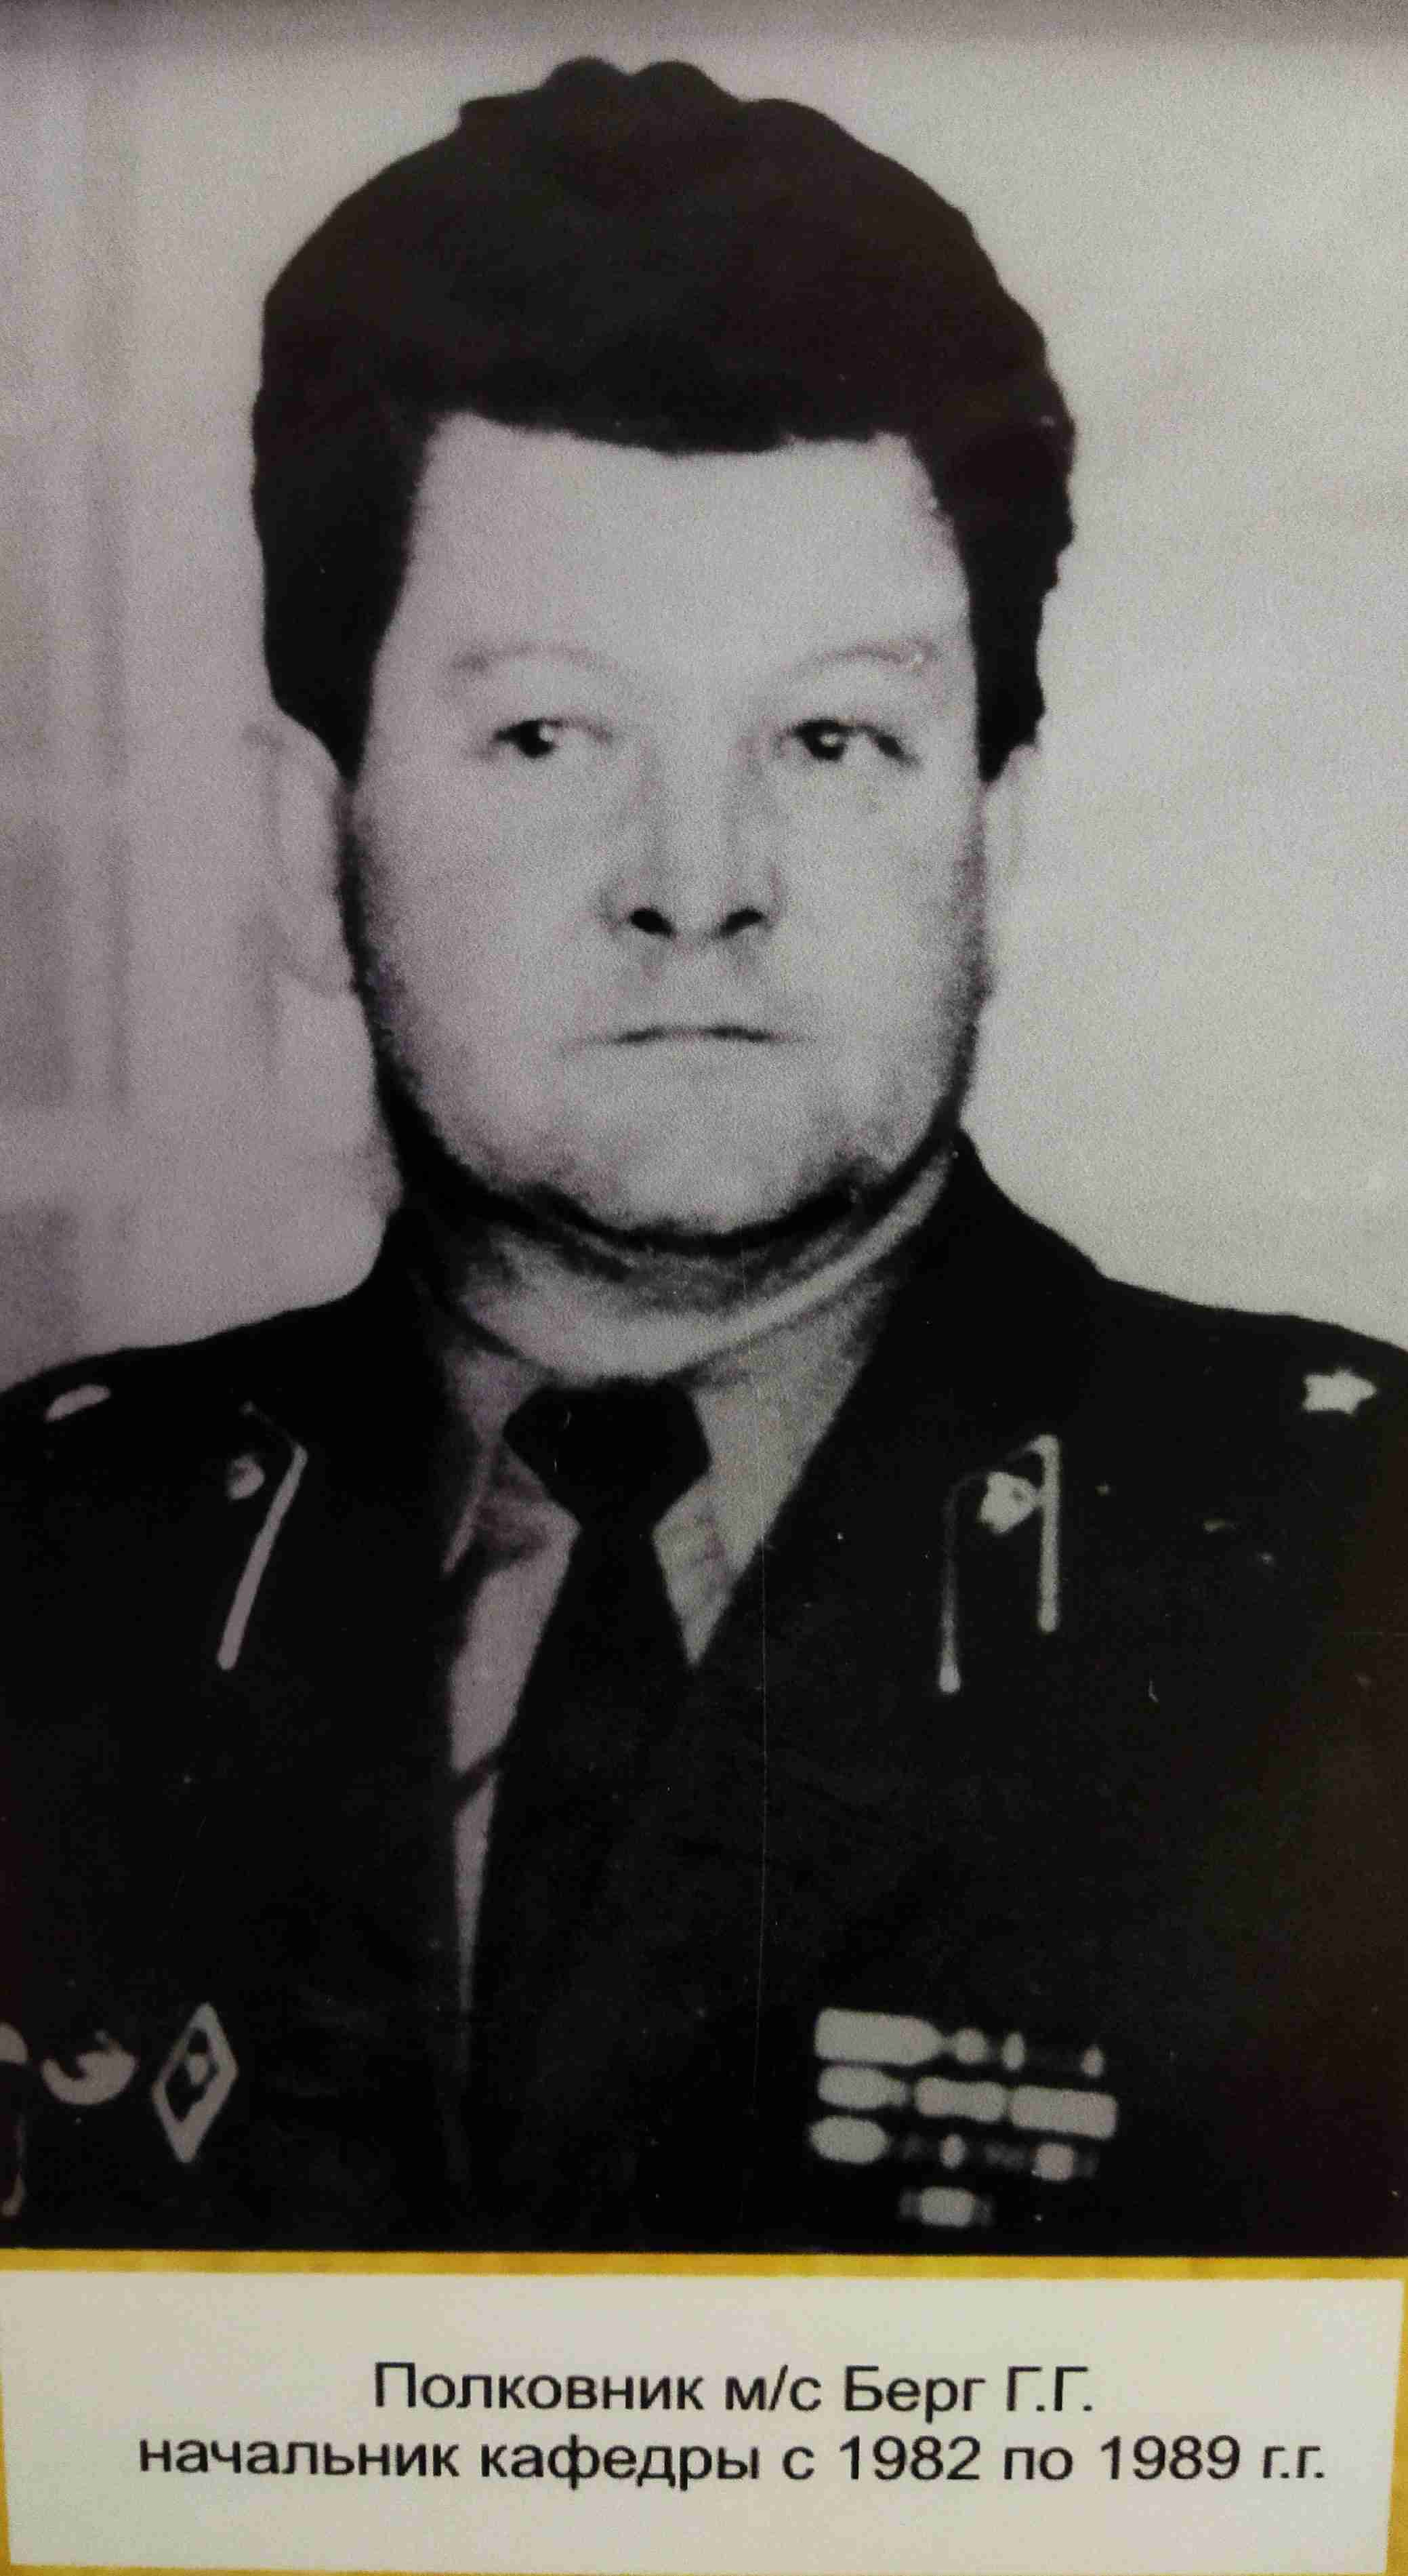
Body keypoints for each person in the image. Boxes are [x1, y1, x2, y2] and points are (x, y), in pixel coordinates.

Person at [3, 57, 1405, 2257]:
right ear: (306, 839)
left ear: (997, 841)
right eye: (549, 735)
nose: (697, 882)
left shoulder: (1349, 1572)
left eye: (829, 736)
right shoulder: (47, 1574)